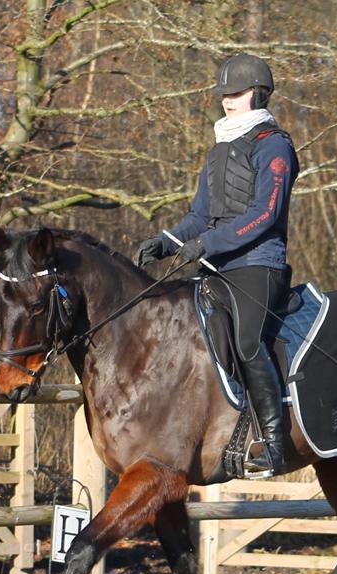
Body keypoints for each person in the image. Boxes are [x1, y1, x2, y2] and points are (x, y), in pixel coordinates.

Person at [136, 53, 299, 476]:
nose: (227, 100)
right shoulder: (219, 151)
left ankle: (273, 441)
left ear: (259, 94)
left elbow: (265, 213)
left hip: (258, 265)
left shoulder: (275, 146)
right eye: (223, 94)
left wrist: (206, 243)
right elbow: (198, 216)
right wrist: (166, 242)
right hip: (216, 265)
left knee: (247, 343)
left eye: (237, 93)